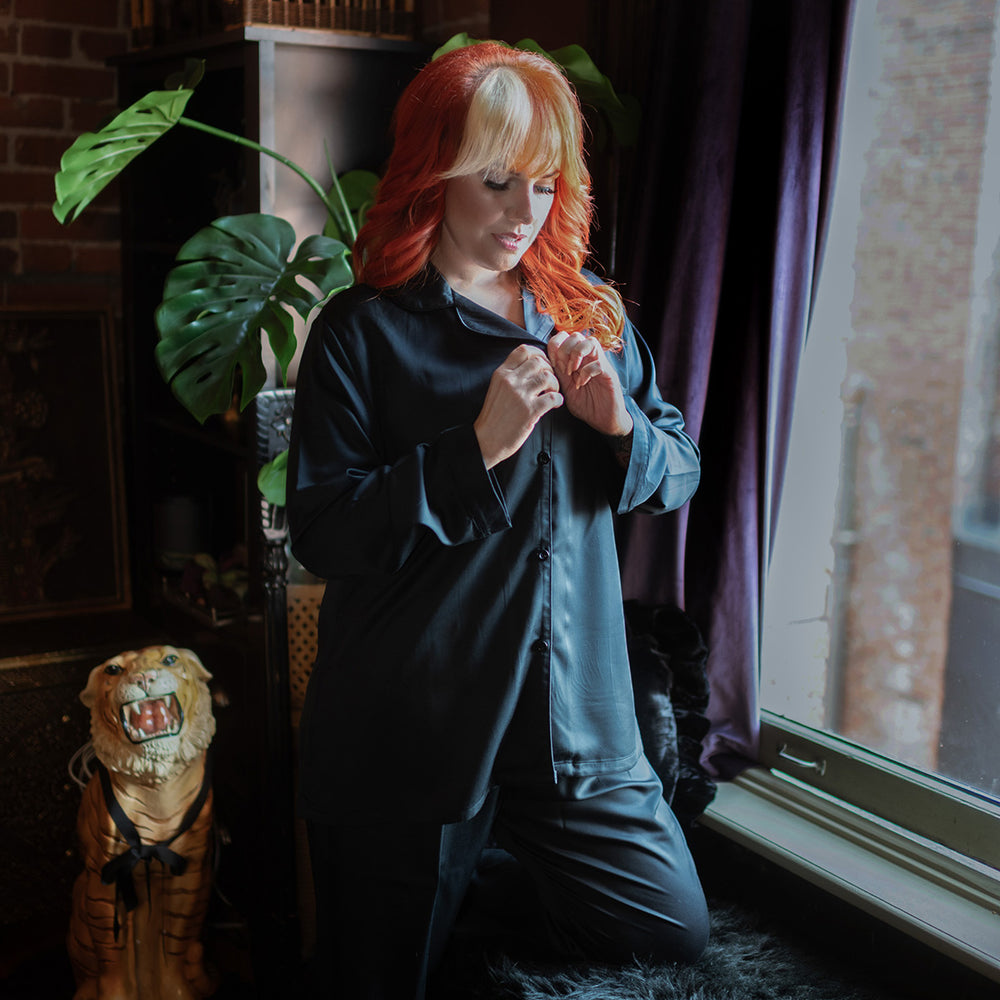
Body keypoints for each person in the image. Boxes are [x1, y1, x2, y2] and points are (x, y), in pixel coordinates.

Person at [286, 40, 709, 999]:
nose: (528, 214)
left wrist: (621, 424)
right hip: (416, 733)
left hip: (580, 728)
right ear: (434, 173)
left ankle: (476, 894)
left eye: (548, 186)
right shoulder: (361, 332)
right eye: (498, 182)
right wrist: (474, 447)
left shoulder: (589, 319)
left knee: (671, 933)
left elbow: (679, 473)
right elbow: (323, 531)